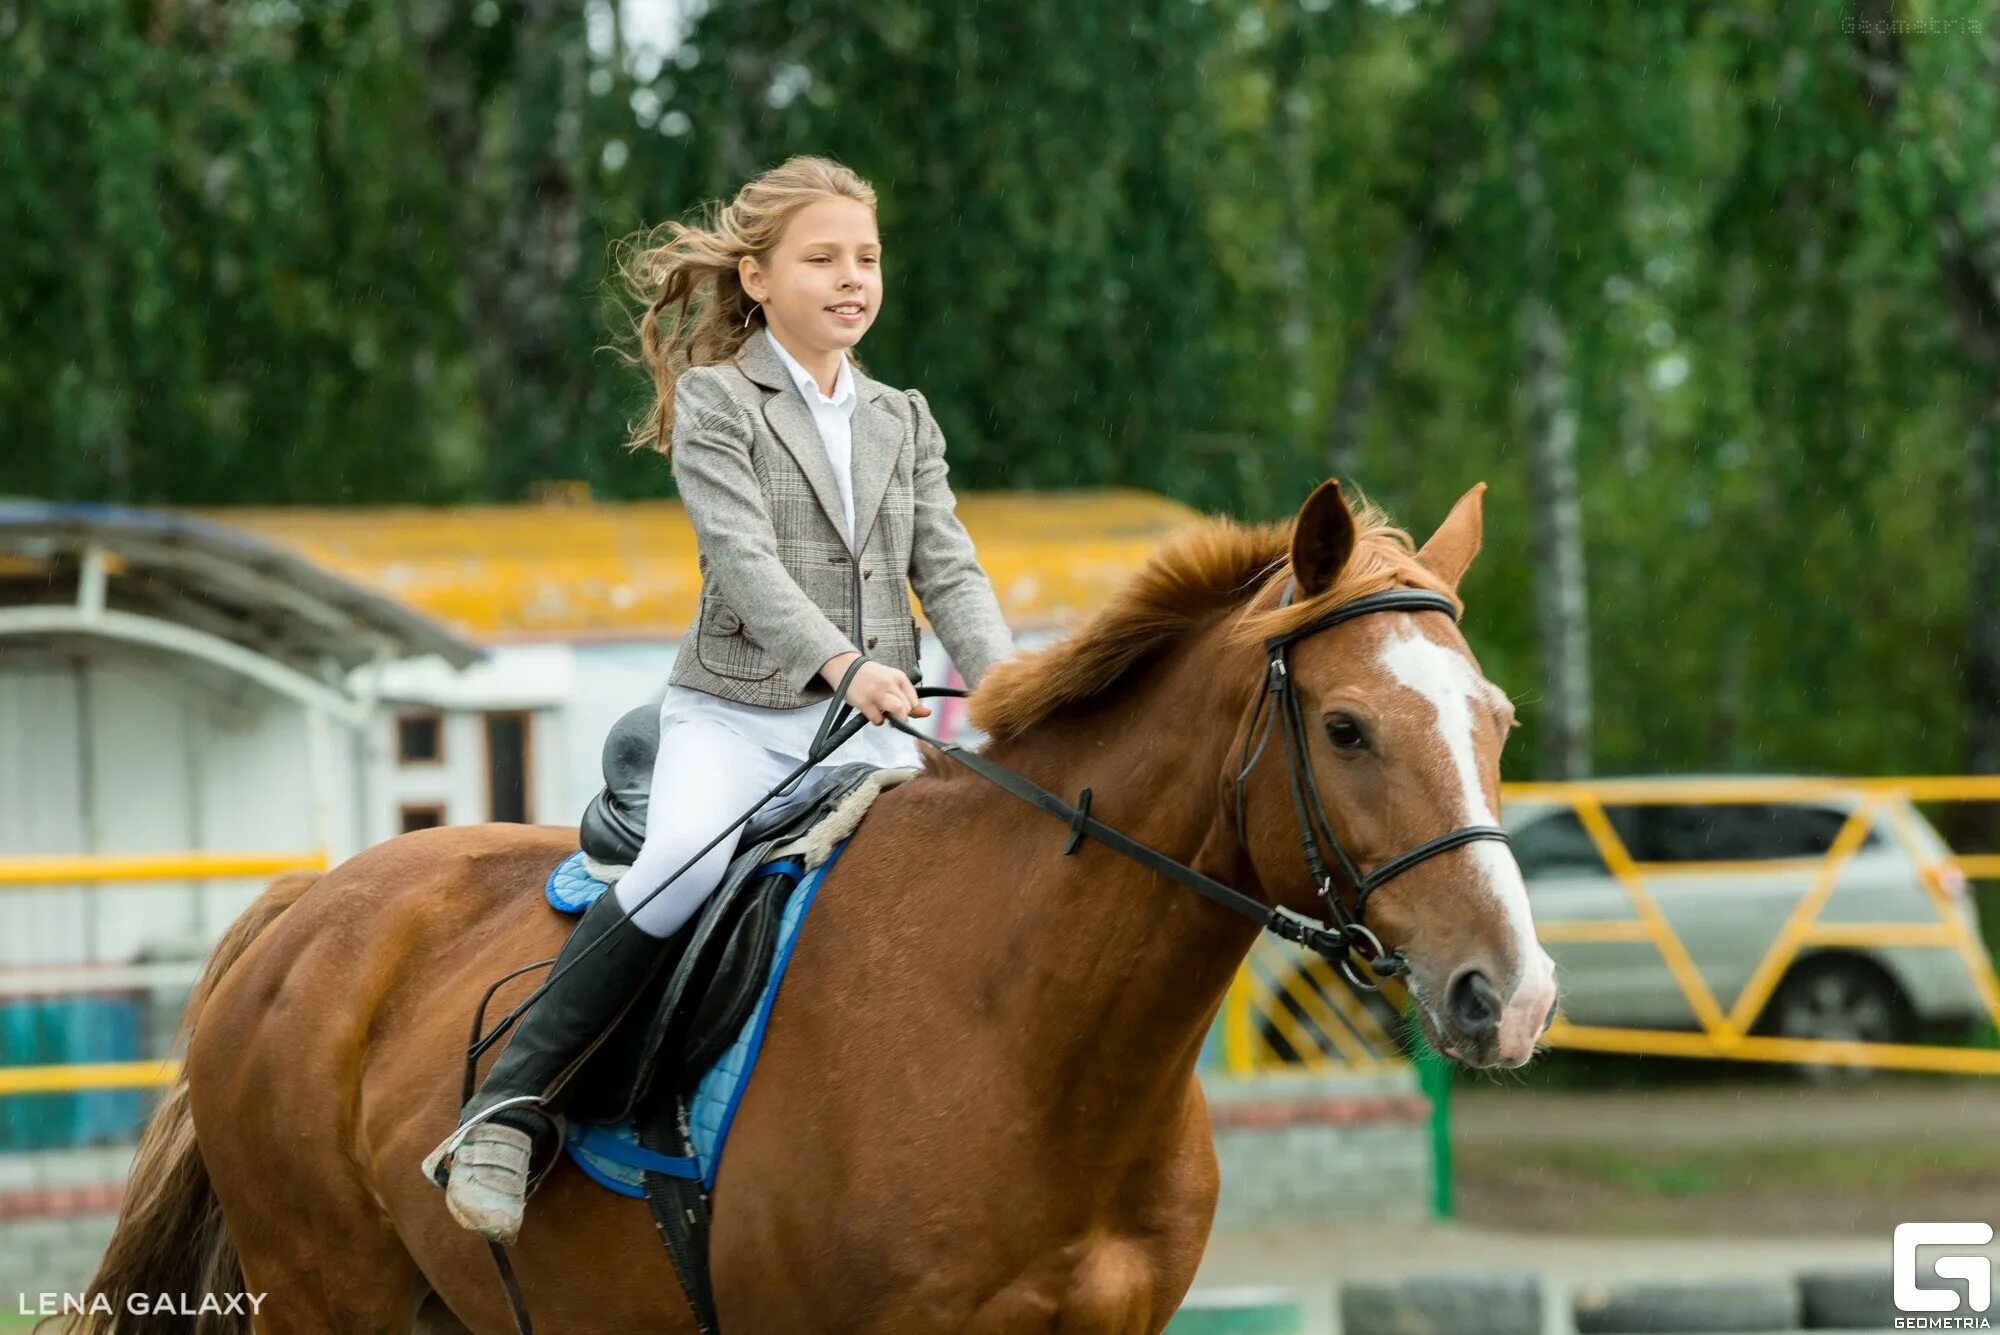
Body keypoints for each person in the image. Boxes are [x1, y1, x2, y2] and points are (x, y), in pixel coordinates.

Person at [422, 155, 1018, 1244]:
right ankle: (508, 1107)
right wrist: (842, 665)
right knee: (681, 864)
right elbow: (744, 564)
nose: (853, 279)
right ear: (755, 276)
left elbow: (950, 566)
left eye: (868, 259)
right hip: (742, 718)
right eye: (823, 259)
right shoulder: (715, 402)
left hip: (867, 733)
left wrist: (1016, 687)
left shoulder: (903, 417)